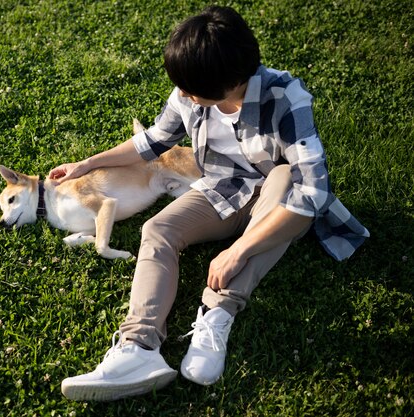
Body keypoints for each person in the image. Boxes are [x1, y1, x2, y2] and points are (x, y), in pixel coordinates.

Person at [51, 5, 369, 402]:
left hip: (281, 202)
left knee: (285, 175)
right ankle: (138, 349)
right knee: (157, 230)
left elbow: (313, 193)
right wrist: (88, 164)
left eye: (191, 89)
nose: (183, 95)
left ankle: (216, 315)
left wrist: (239, 251)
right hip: (223, 190)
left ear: (233, 80)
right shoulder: (191, 89)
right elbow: (152, 142)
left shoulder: (284, 97)